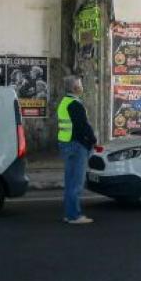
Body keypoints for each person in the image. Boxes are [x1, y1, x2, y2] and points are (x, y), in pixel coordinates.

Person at [56, 75, 96, 225]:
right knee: (76, 184)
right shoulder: (74, 104)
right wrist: (92, 141)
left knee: (70, 182)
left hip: (66, 144)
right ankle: (74, 216)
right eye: (80, 84)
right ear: (74, 88)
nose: (82, 86)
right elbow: (83, 127)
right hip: (77, 146)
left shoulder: (64, 102)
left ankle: (69, 213)